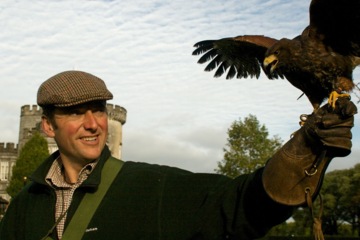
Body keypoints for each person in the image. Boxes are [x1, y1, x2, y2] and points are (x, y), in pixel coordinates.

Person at [0, 70, 356, 240]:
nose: (94, 124)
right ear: (47, 126)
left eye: (99, 110)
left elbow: (233, 206)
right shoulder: (23, 206)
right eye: (77, 113)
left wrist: (299, 157)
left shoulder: (148, 186)